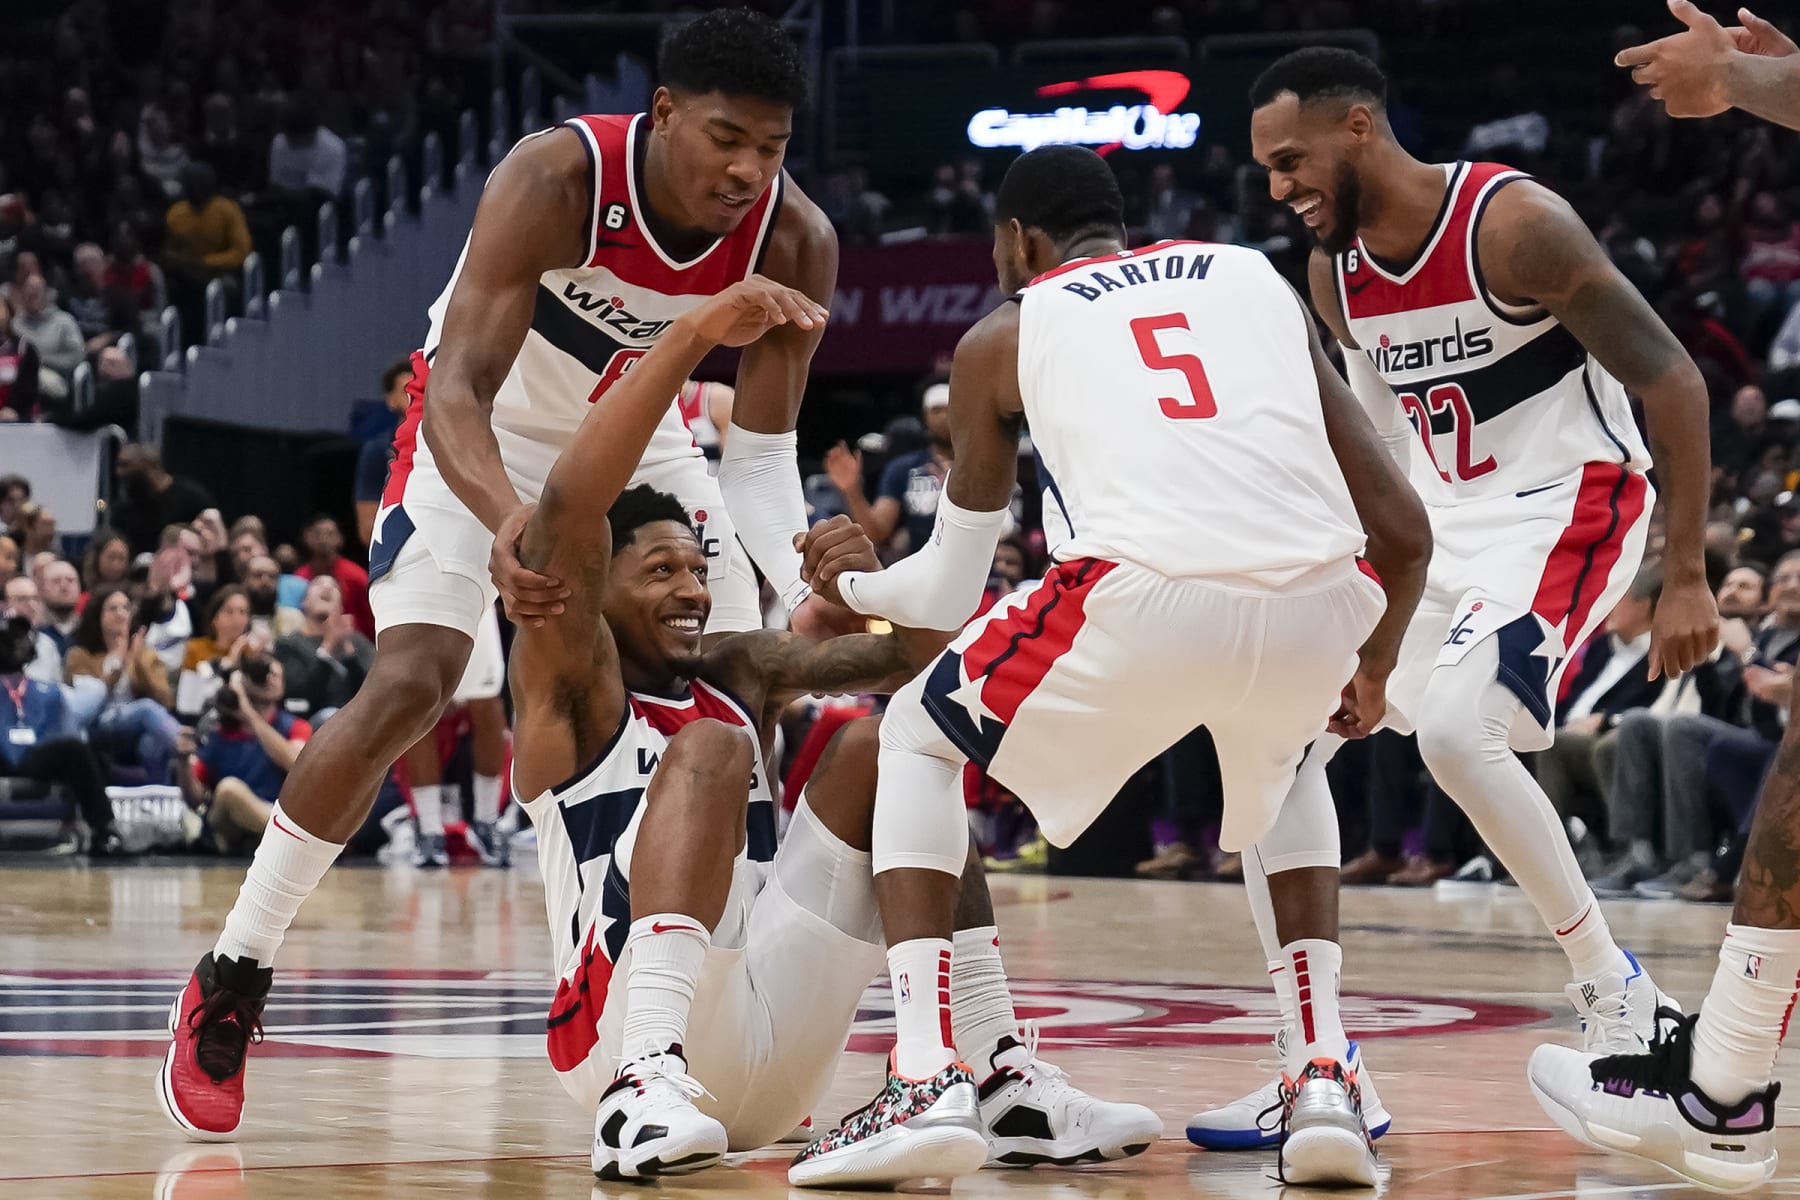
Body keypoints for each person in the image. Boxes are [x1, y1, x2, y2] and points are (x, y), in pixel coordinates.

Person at [160, 7, 851, 1142]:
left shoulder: (794, 239)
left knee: (739, 673)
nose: (746, 169)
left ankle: (706, 1005)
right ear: (663, 113)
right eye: (726, 137)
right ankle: (235, 970)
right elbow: (457, 390)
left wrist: (798, 570)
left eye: (771, 149)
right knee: (416, 683)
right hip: (477, 438)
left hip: (644, 433)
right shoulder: (558, 175)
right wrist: (505, 518)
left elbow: (767, 463)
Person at [791, 145, 1430, 1188]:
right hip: (1321, 591)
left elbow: (946, 598)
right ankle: (1320, 1073)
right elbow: (1401, 527)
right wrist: (1377, 658)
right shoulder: (1251, 277)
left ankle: (923, 1076)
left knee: (911, 733)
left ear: (1015, 243)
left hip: (1141, 588)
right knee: (1295, 760)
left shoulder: (1007, 331)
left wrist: (858, 584)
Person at [426, 277, 1145, 1183]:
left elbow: (929, 657)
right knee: (714, 749)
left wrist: (881, 582)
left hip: (772, 1037)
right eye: (659, 571)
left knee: (896, 746)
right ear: (597, 588)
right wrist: (689, 337)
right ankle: (642, 1079)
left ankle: (1000, 1073)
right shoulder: (567, 690)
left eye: (697, 568)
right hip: (616, 1040)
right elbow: (567, 519)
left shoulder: (740, 672)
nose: (692, 590)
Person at [1188, 46, 1720, 1164]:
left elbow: (1672, 376)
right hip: (1440, 527)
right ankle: (1317, 1062)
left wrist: (1685, 571)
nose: (1279, 185)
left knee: (1456, 734)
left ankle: (1621, 1003)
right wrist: (1356, 585)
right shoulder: (1333, 274)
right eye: (1268, 169)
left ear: (1361, 127)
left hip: (1568, 505)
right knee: (1273, 746)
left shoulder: (1511, 223)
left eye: (1292, 160)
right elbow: (1384, 441)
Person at [0, 614, 119, 855]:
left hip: (33, 754)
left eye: (20, 638)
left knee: (79, 751)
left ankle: (104, 830)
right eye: (10, 638)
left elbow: (67, 733)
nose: (16, 644)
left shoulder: (47, 691)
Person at [177, 652, 310, 854]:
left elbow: (295, 763)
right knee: (229, 790)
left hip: (273, 812)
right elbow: (195, 798)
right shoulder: (220, 732)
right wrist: (183, 760)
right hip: (227, 820)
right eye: (264, 674)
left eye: (277, 675)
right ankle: (292, 840)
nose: (271, 679)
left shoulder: (295, 726)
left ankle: (271, 838)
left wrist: (248, 712)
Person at [64, 583, 180, 783]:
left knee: (151, 743)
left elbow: (165, 699)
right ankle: (185, 746)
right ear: (97, 615)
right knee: (146, 709)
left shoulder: (145, 653)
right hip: (98, 724)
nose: (120, 613)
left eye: (126, 608)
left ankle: (162, 801)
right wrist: (118, 663)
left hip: (139, 728)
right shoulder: (80, 655)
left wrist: (138, 663)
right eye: (112, 608)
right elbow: (85, 703)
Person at [274, 576, 372, 721]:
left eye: (334, 586)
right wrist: (327, 649)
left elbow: (373, 692)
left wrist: (349, 655)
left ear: (341, 607)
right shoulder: (287, 645)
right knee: (329, 717)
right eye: (318, 584)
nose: (326, 588)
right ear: (304, 602)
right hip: (308, 725)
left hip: (357, 722)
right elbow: (296, 698)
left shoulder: (358, 643)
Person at [353, 359, 415, 547]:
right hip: (398, 553)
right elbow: (367, 529)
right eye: (407, 389)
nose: (416, 395)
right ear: (391, 400)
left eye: (422, 389)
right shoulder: (378, 451)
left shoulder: (446, 445)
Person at [111, 446, 214, 556]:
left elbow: (212, 541)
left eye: (126, 465)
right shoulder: (124, 509)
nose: (119, 472)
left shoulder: (192, 499)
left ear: (149, 465)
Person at [292, 516, 371, 641]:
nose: (323, 539)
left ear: (340, 539)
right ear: (306, 537)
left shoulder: (357, 577)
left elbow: (370, 619)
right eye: (317, 534)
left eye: (330, 534)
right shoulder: (298, 578)